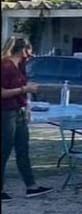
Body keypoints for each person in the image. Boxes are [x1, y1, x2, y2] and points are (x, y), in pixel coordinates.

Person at [1, 38, 52, 200]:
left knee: (23, 149)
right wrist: (24, 89)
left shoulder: (21, 65)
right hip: (6, 112)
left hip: (20, 110)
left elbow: (23, 87)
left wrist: (27, 104)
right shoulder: (5, 66)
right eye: (28, 50)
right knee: (4, 150)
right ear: (22, 49)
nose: (30, 54)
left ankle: (31, 186)